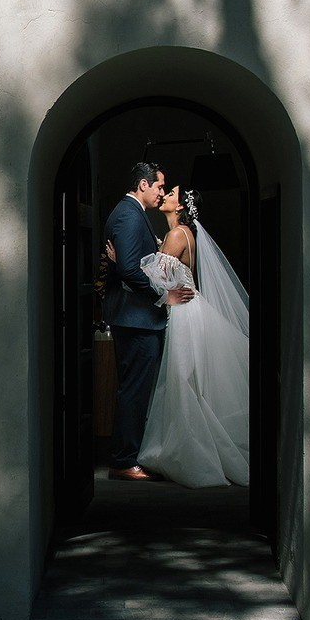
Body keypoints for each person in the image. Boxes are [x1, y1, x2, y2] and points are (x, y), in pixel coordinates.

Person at [135, 186, 251, 488]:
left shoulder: (176, 235)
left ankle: (188, 455)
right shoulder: (185, 233)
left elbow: (153, 277)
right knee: (188, 380)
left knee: (181, 380)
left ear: (180, 205)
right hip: (192, 307)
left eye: (170, 193)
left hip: (184, 312)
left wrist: (122, 259)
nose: (165, 196)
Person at [101, 163, 194, 481]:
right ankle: (123, 460)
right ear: (143, 184)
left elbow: (131, 263)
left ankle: (129, 455)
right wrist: (163, 296)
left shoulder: (131, 213)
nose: (160, 192)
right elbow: (129, 269)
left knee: (137, 388)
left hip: (137, 317)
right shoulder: (128, 214)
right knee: (135, 389)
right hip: (137, 318)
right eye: (159, 186)